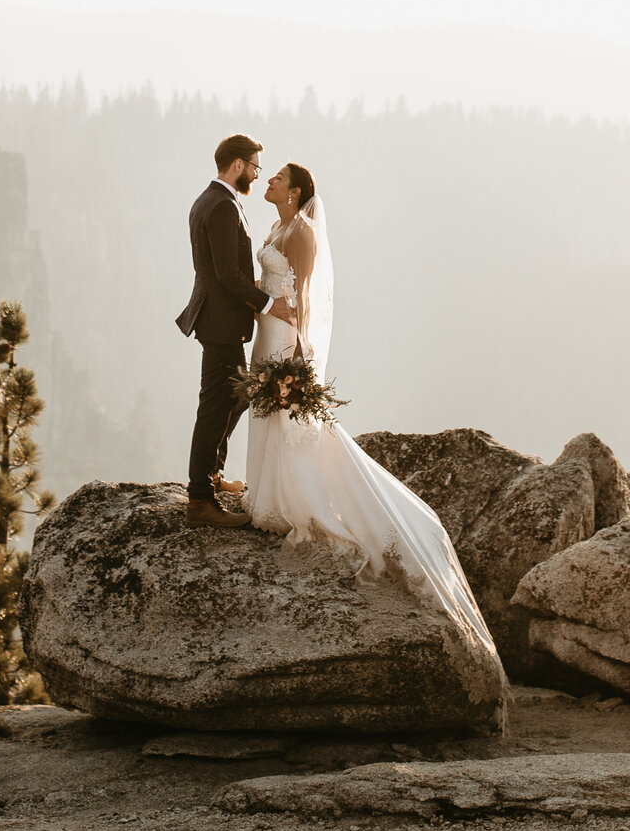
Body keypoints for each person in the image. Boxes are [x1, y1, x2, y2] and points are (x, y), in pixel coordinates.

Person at [238, 161, 497, 655]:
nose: (268, 182)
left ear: (294, 192)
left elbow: (306, 298)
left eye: (276, 179)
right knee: (266, 413)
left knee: (293, 419)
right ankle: (264, 493)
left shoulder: (304, 233)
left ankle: (303, 504)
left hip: (285, 335)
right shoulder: (278, 224)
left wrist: (300, 357)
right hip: (266, 331)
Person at [173, 133, 289, 528]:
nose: (256, 175)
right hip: (220, 322)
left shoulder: (211, 199)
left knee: (235, 398)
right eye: (255, 167)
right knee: (215, 406)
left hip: (218, 319)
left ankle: (213, 476)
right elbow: (226, 274)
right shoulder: (222, 205)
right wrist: (271, 304)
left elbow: (224, 270)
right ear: (237, 165)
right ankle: (200, 500)